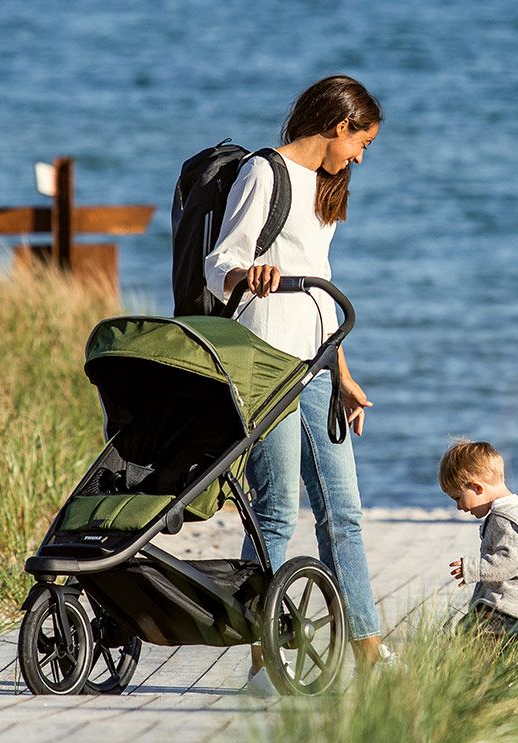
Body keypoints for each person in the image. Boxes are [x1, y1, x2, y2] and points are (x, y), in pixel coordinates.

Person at [204, 75, 388, 690]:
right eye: (360, 142)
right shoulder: (264, 173)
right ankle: (263, 660)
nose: (361, 156)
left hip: (316, 363)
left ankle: (369, 651)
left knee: (346, 512)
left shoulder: (328, 186)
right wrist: (247, 274)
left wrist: (342, 370)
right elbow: (218, 264)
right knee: (277, 512)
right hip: (263, 362)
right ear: (339, 126)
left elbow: (320, 280)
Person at [440, 441, 518, 652]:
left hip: (510, 610)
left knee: (468, 644)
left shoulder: (503, 519)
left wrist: (473, 569)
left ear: (477, 487)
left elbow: (510, 561)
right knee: (505, 667)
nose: (459, 506)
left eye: (458, 498)